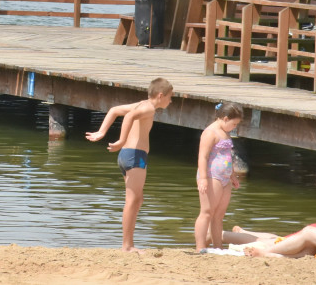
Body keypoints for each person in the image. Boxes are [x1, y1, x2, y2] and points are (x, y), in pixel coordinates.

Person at [85, 77, 174, 253]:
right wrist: (121, 140)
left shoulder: (141, 104)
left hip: (128, 155)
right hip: (135, 156)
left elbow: (114, 110)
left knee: (137, 200)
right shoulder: (147, 108)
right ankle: (127, 245)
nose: (171, 101)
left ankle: (129, 244)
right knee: (133, 201)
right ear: (161, 95)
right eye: (170, 97)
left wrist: (102, 132)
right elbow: (129, 117)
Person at [194, 103, 243, 251]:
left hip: (225, 177)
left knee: (219, 215)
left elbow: (228, 156)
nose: (234, 127)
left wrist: (233, 175)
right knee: (207, 212)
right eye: (234, 124)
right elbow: (202, 156)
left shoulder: (225, 131)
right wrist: (203, 178)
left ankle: (217, 247)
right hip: (211, 175)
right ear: (225, 118)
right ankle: (200, 247)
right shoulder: (210, 132)